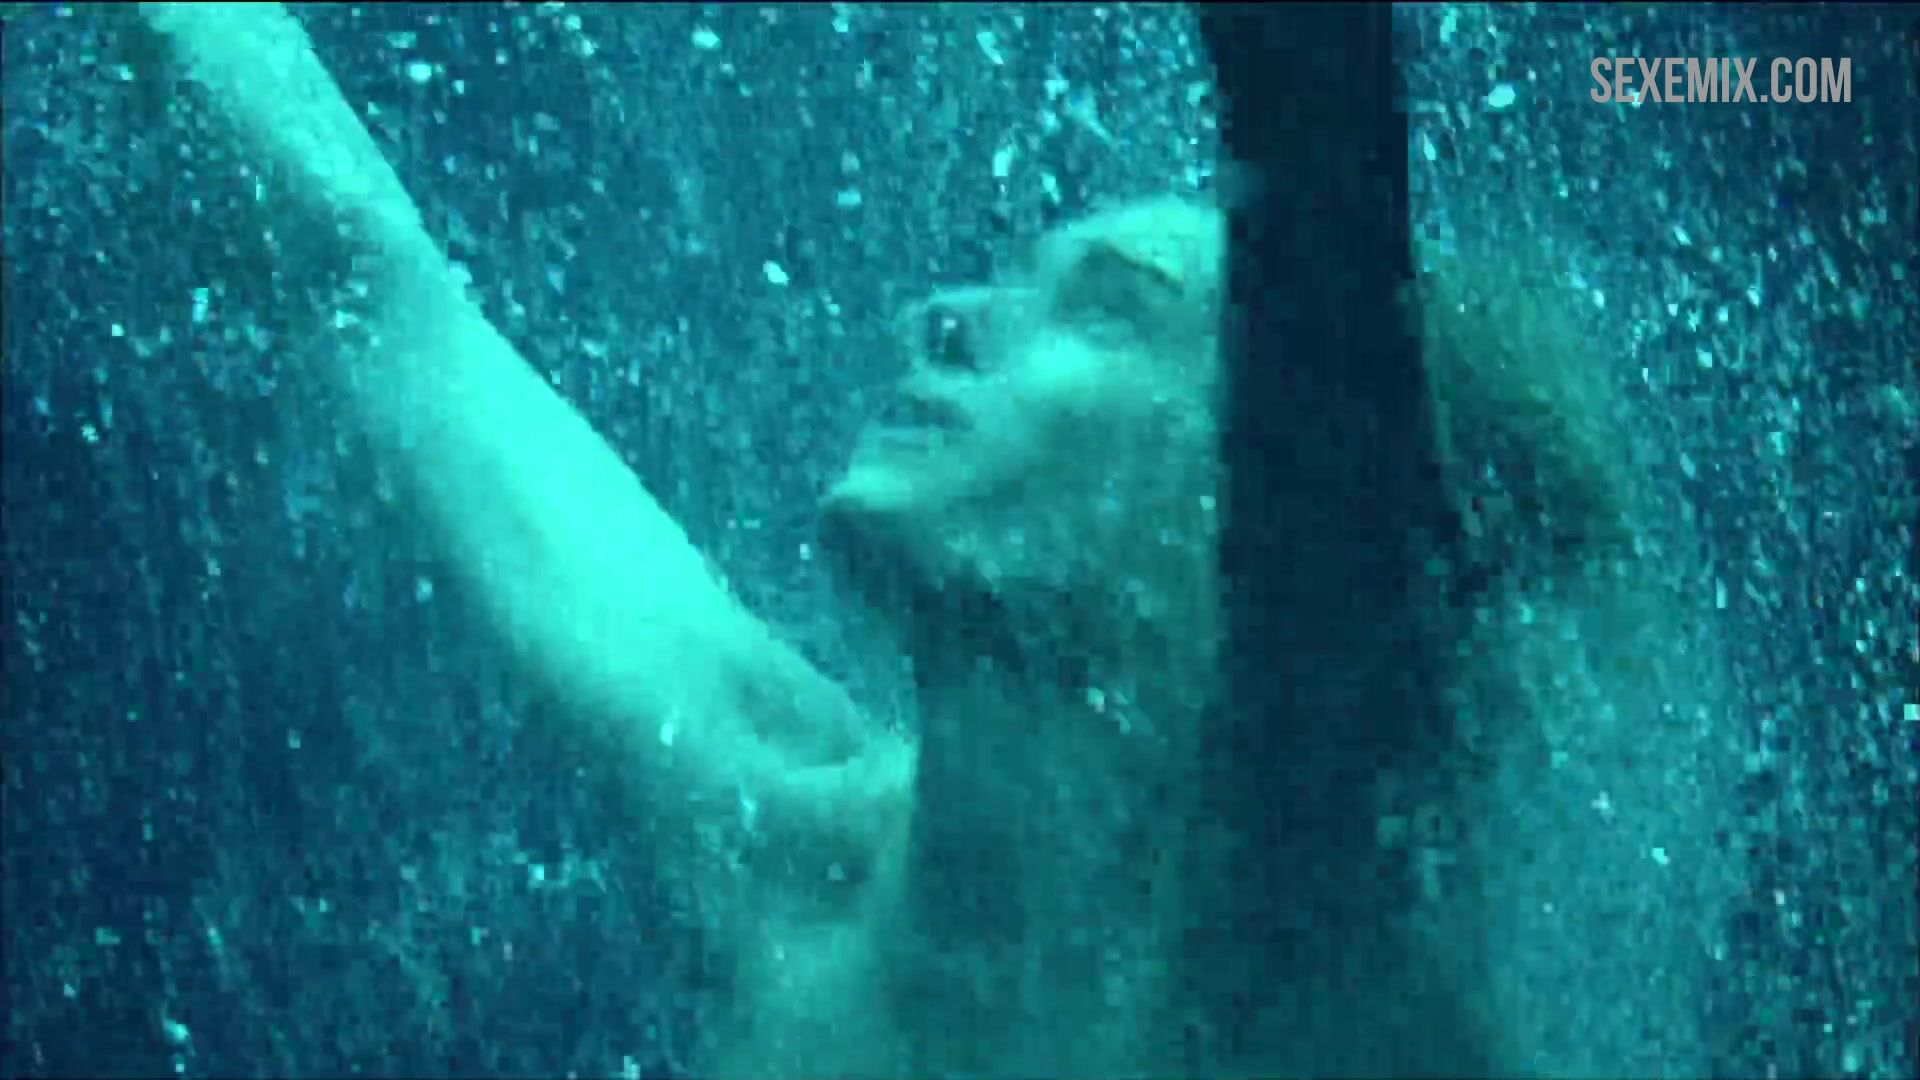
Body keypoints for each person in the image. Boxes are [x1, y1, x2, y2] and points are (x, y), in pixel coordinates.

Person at [100, 4, 1681, 1076]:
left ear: (1251, 497)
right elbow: (366, 285)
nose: (945, 314)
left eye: (1105, 309)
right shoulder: (777, 839)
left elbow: (1320, 142)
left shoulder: (1297, 925)